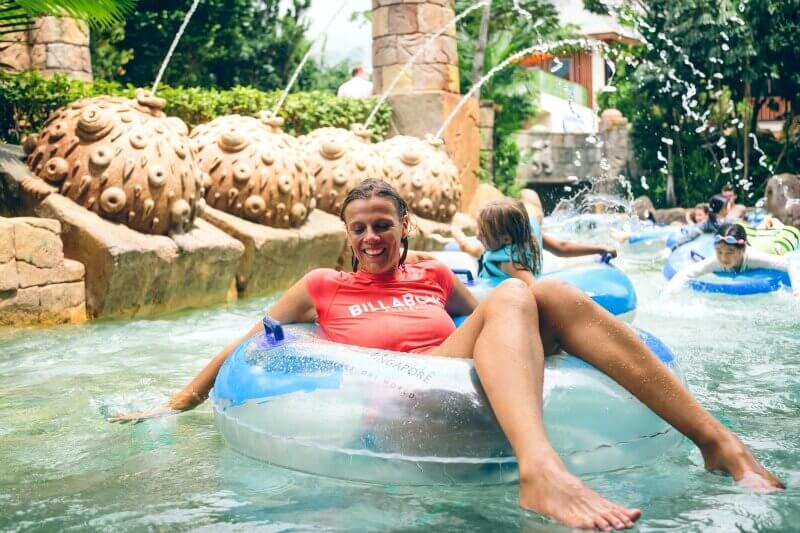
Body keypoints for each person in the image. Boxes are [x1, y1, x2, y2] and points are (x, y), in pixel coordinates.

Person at [113, 179, 783, 530]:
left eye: (384, 224)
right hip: (399, 403)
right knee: (523, 295)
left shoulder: (435, 277)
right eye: (361, 228)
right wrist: (175, 403)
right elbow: (250, 344)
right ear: (347, 235)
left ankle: (715, 439)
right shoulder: (322, 285)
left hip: (456, 377)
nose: (373, 237)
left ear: (404, 226)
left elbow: (501, 318)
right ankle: (540, 469)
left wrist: (497, 301)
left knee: (541, 293)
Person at [452, 198, 616, 279]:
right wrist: (600, 248)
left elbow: (533, 289)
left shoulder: (510, 263)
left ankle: (460, 239)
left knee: (476, 250)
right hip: (486, 256)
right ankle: (459, 238)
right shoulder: (526, 234)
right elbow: (561, 247)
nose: (477, 235)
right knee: (475, 250)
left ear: (506, 239)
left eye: (484, 233)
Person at [664, 223, 800, 296]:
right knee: (746, 228)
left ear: (742, 249)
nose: (723, 258)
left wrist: (796, 292)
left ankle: (775, 223)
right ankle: (765, 222)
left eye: (730, 252)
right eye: (719, 252)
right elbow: (686, 273)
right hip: (746, 236)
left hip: (769, 246)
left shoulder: (753, 257)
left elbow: (789, 264)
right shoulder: (717, 259)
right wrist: (667, 295)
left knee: (782, 238)